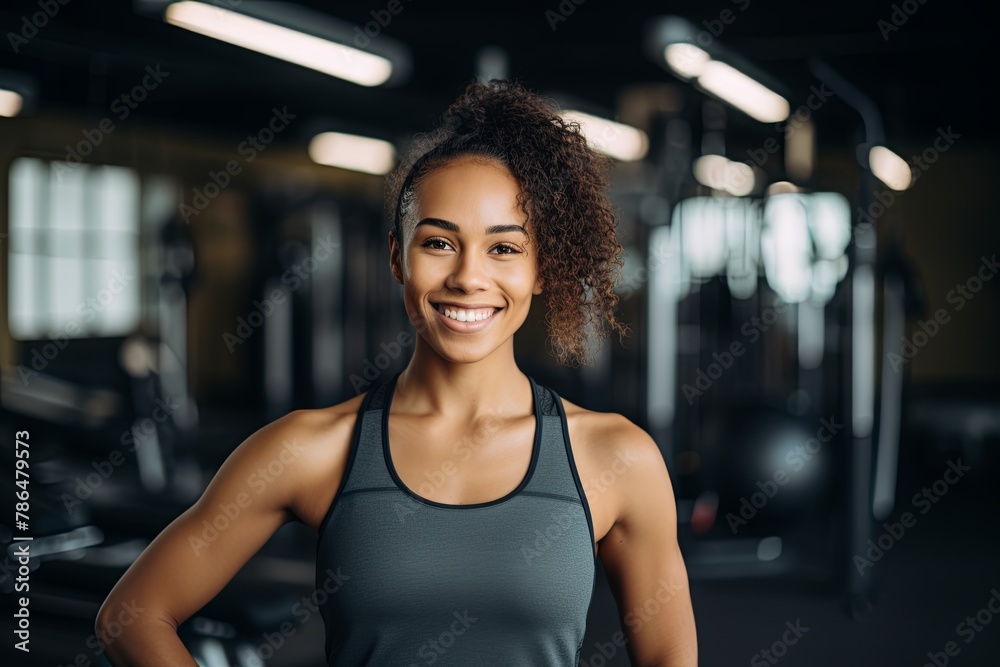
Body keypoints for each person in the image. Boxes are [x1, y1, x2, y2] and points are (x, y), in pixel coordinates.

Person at [96, 79, 698, 666]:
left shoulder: (617, 458)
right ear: (396, 257)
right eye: (438, 243)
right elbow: (133, 616)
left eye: (504, 248)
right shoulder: (311, 449)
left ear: (542, 269)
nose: (468, 277)